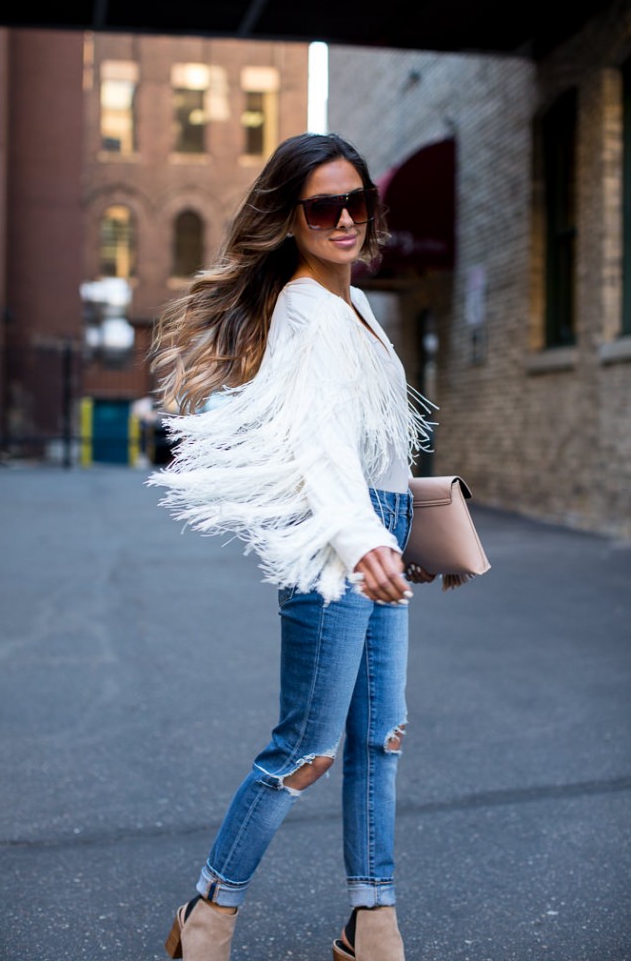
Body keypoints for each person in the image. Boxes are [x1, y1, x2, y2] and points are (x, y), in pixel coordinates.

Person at [147, 132, 437, 961]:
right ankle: (208, 909)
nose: (345, 219)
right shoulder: (306, 310)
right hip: (333, 543)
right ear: (290, 219)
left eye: (358, 202)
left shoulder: (358, 306)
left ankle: (371, 920)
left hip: (374, 530)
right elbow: (316, 443)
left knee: (382, 734)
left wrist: (413, 538)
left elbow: (378, 446)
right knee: (308, 745)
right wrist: (358, 538)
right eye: (323, 206)